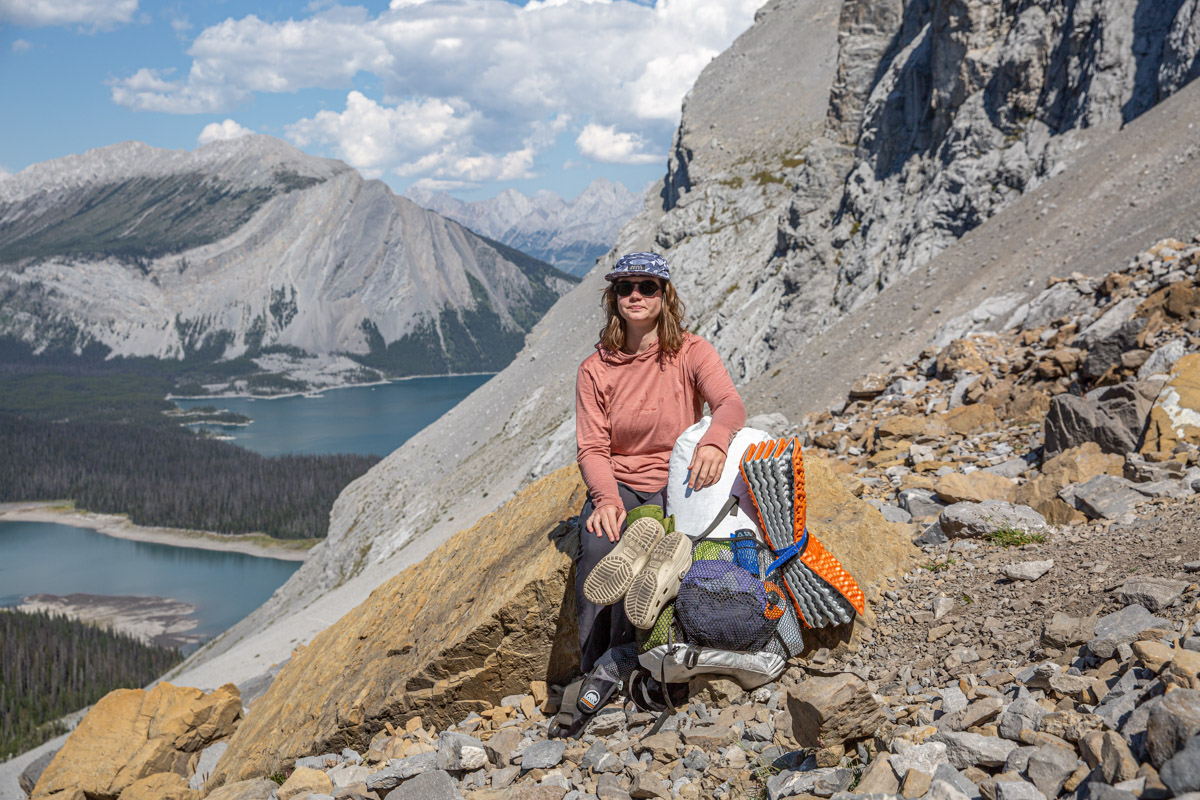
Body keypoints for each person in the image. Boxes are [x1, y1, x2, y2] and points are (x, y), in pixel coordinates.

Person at [574, 251, 746, 673]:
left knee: (682, 552)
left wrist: (715, 440)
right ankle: (595, 668)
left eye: (647, 286)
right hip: (622, 482)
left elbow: (729, 404)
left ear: (664, 295)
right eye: (624, 288)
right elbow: (593, 447)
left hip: (679, 479)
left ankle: (640, 658)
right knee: (599, 545)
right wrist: (606, 500)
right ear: (613, 298)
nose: (635, 295)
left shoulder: (692, 351)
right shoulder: (595, 369)